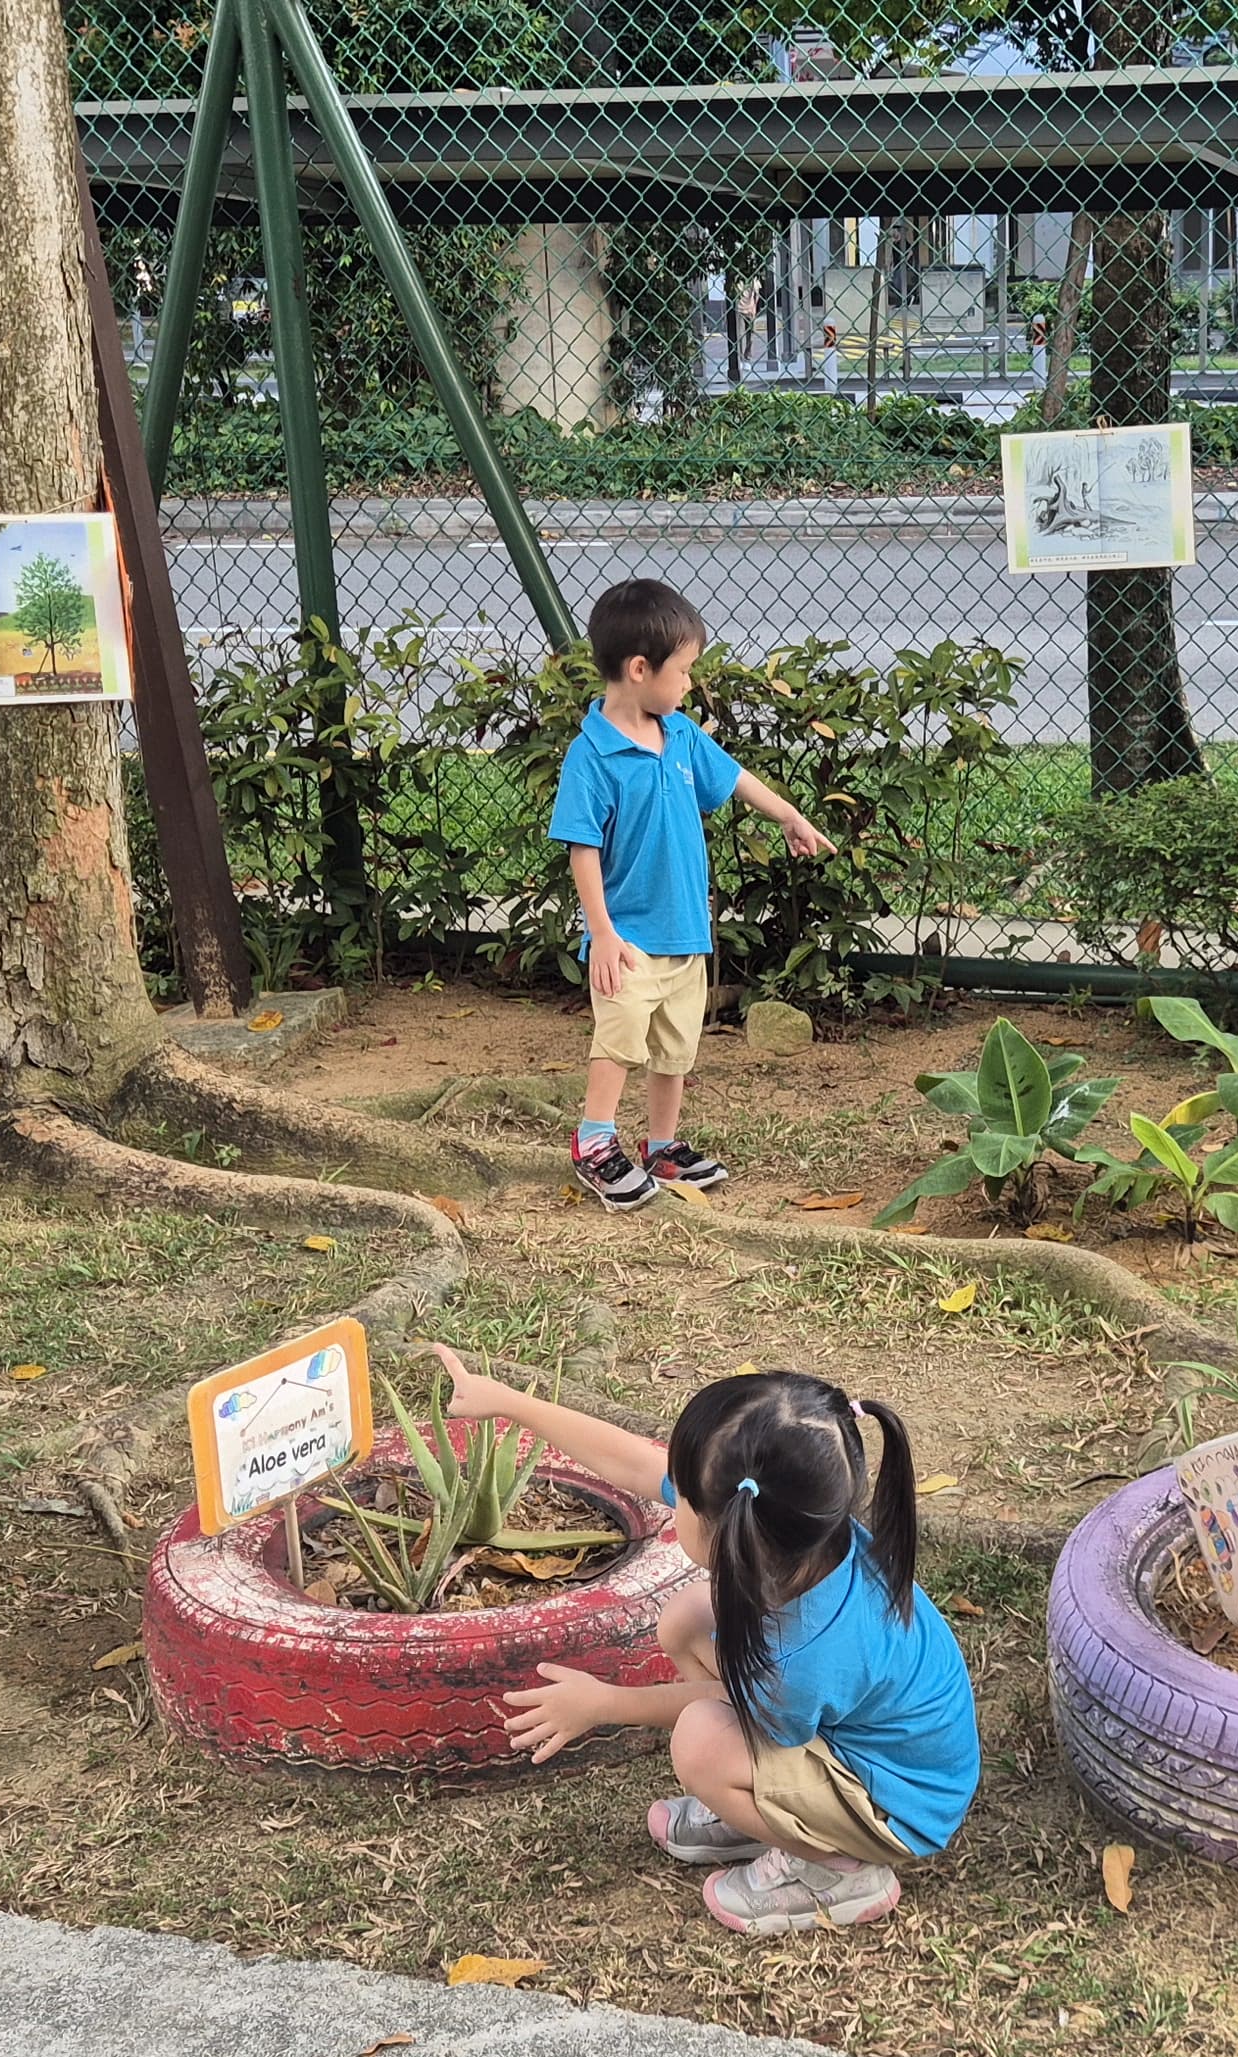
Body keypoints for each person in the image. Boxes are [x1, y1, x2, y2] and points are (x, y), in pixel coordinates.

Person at [437, 1345, 980, 1936]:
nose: (671, 1503)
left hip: (896, 1808)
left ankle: (841, 1869)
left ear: (732, 1532)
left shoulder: (806, 1650)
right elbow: (629, 1461)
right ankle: (765, 1805)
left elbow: (719, 1708)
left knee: (700, 1745)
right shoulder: (806, 1533)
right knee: (689, 1615)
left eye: (684, 1503)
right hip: (860, 1740)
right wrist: (510, 1404)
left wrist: (604, 1704)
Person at [548, 579, 831, 1211]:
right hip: (625, 940)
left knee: (674, 1046)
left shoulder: (678, 735)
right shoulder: (591, 755)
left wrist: (789, 815)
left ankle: (662, 1147)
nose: (690, 685)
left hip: (685, 930)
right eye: (685, 671)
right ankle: (594, 1143)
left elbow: (734, 779)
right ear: (640, 668)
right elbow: (582, 849)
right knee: (618, 1043)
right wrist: (603, 933)